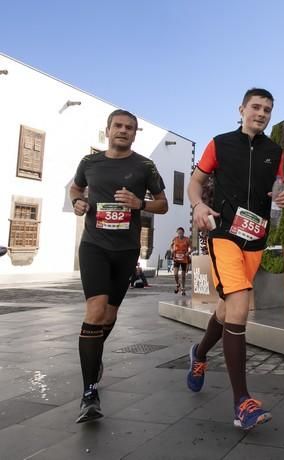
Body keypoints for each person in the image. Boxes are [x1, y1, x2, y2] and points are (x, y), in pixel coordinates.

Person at [185, 88, 284, 430]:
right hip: (224, 234)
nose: (261, 113)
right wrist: (198, 205)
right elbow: (195, 182)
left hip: (256, 239)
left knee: (226, 309)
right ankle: (242, 402)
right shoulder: (220, 143)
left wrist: (281, 194)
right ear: (241, 109)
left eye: (268, 109)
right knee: (241, 304)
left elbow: (277, 188)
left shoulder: (276, 152)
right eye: (256, 107)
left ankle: (199, 354)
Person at [69, 109, 168, 423]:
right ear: (108, 129)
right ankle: (89, 393)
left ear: (135, 134)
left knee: (109, 316)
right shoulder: (89, 163)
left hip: (126, 250)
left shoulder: (145, 166)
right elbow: (75, 188)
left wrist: (140, 204)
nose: (124, 131)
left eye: (130, 128)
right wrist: (77, 202)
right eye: (119, 126)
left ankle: (94, 357)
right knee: (95, 311)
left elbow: (163, 204)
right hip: (94, 246)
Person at [170, 227, 192, 295]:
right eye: (179, 233)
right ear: (177, 233)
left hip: (184, 259)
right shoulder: (175, 239)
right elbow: (171, 246)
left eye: (181, 233)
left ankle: (183, 288)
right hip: (176, 258)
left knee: (183, 276)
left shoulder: (187, 239)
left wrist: (188, 252)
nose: (180, 234)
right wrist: (172, 250)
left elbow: (192, 248)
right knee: (175, 274)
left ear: (183, 233)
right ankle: (177, 284)